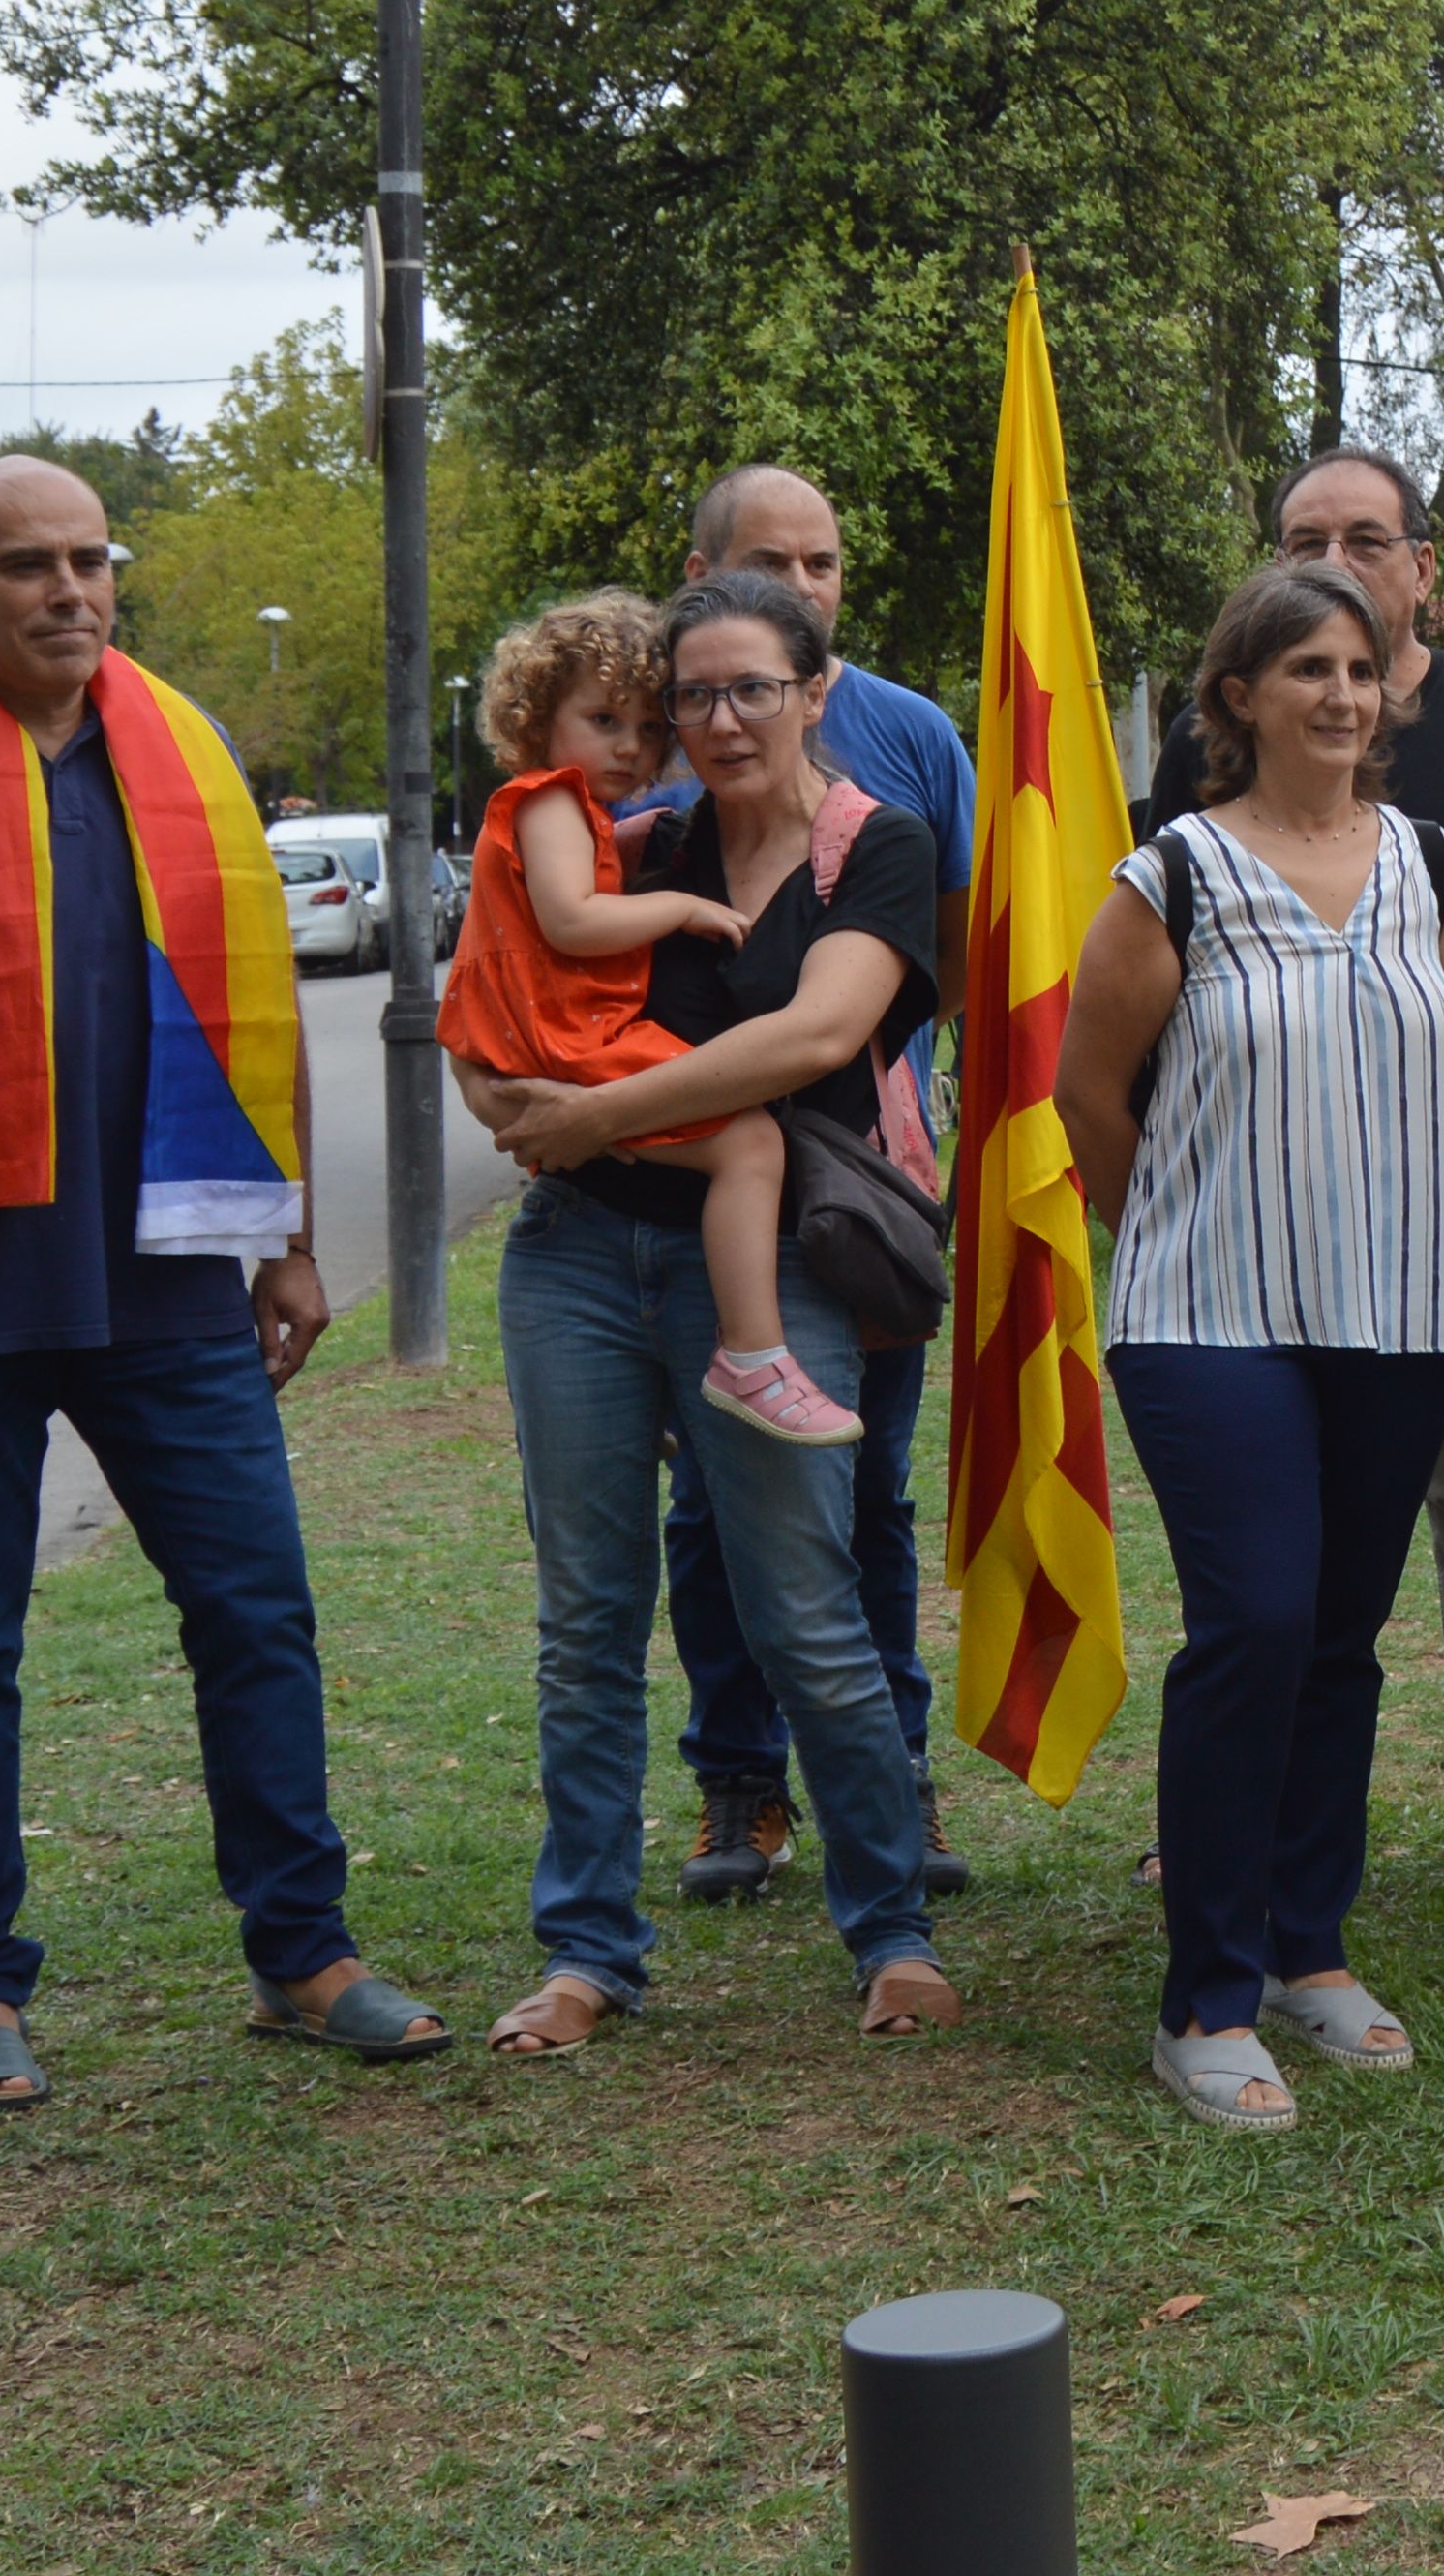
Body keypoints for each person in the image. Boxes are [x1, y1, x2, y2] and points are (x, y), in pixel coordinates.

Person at [0, 456, 446, 2106]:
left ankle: (301, 1953)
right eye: (29, 565)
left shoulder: (184, 757)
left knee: (256, 1612)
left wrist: (293, 1237)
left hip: (174, 1278)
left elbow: (251, 1006)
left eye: (91, 562)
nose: (69, 592)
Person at [460, 576, 953, 2054]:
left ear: (817, 687)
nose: (720, 720)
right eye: (693, 695)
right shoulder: (628, 844)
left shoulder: (878, 845)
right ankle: (588, 1952)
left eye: (753, 689)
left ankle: (890, 1929)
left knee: (806, 1609)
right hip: (578, 1257)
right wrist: (510, 1104)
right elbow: (490, 1011)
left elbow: (812, 1035)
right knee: (588, 1619)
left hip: (767, 1263)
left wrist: (588, 1110)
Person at [1057, 564, 1444, 2130]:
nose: (1339, 694)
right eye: (1304, 666)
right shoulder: (1167, 876)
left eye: (1359, 668)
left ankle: (1310, 1948)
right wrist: (1181, 1228)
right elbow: (1091, 1103)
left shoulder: (1432, 865)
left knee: (1338, 1646)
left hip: (1400, 1309)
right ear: (1236, 696)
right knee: (1253, 1622)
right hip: (1209, 1316)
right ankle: (1207, 1995)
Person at [1138, 448, 1444, 1896]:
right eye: (1302, 539)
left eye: (1365, 539)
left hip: (1443, 1198)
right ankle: (1227, 1803)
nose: (1336, 558)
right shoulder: (1203, 786)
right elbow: (1141, 1013)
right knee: (1259, 1561)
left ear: (1423, 568)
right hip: (1242, 1229)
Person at [652, 468, 978, 1909]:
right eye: (772, 558)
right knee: (711, 1513)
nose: (806, 581)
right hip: (666, 1190)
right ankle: (740, 1785)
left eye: (825, 562)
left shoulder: (911, 739)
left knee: (869, 1498)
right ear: (700, 574)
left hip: (860, 1189)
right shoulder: (648, 743)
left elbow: (962, 950)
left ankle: (891, 1776)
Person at [443, 591, 847, 1448]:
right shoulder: (550, 801)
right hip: (566, 1035)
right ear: (536, 717)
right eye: (601, 719)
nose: (628, 746)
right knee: (748, 1143)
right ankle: (752, 1354)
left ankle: (678, 1378)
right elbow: (572, 922)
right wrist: (681, 910)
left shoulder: (582, 811)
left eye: (643, 726)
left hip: (555, 1034)